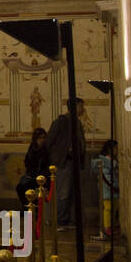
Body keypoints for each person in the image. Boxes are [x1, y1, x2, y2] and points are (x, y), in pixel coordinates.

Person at [46, 98, 86, 229]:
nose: (83, 109)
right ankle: (60, 220)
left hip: (74, 162)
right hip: (64, 162)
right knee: (63, 192)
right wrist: (57, 156)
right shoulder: (61, 122)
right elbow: (49, 141)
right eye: (81, 106)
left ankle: (68, 218)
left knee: (72, 191)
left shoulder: (78, 123)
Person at [16, 127, 51, 216]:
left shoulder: (47, 149)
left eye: (43, 138)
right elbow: (27, 161)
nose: (41, 140)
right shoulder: (32, 148)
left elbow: (47, 166)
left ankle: (34, 209)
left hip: (43, 177)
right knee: (20, 187)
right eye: (39, 138)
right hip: (32, 174)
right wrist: (30, 173)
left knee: (29, 186)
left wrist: (38, 175)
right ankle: (26, 207)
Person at [92, 139, 119, 239]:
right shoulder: (105, 163)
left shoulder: (113, 162)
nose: (117, 151)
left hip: (113, 190)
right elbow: (107, 178)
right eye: (115, 149)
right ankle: (107, 228)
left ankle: (110, 226)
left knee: (114, 209)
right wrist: (115, 186)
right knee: (108, 209)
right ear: (109, 150)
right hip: (108, 190)